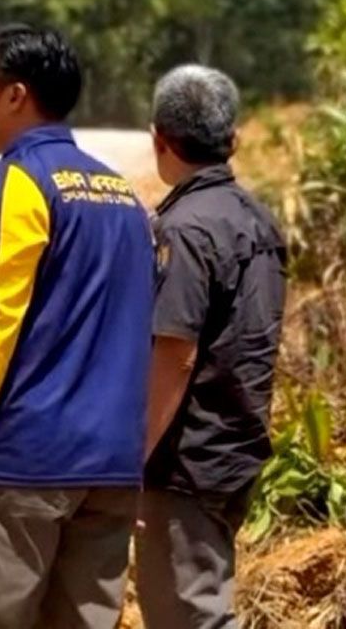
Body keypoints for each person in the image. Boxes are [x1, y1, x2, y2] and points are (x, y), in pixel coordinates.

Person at [0, 25, 156, 629]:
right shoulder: (121, 195)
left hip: (22, 469)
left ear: (14, 96)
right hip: (111, 472)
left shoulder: (16, 183)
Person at [137, 65, 288, 628]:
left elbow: (175, 354)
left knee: (188, 615)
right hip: (236, 451)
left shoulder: (184, 229)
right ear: (234, 140)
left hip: (185, 463)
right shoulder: (260, 221)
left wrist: (134, 458)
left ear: (159, 138)